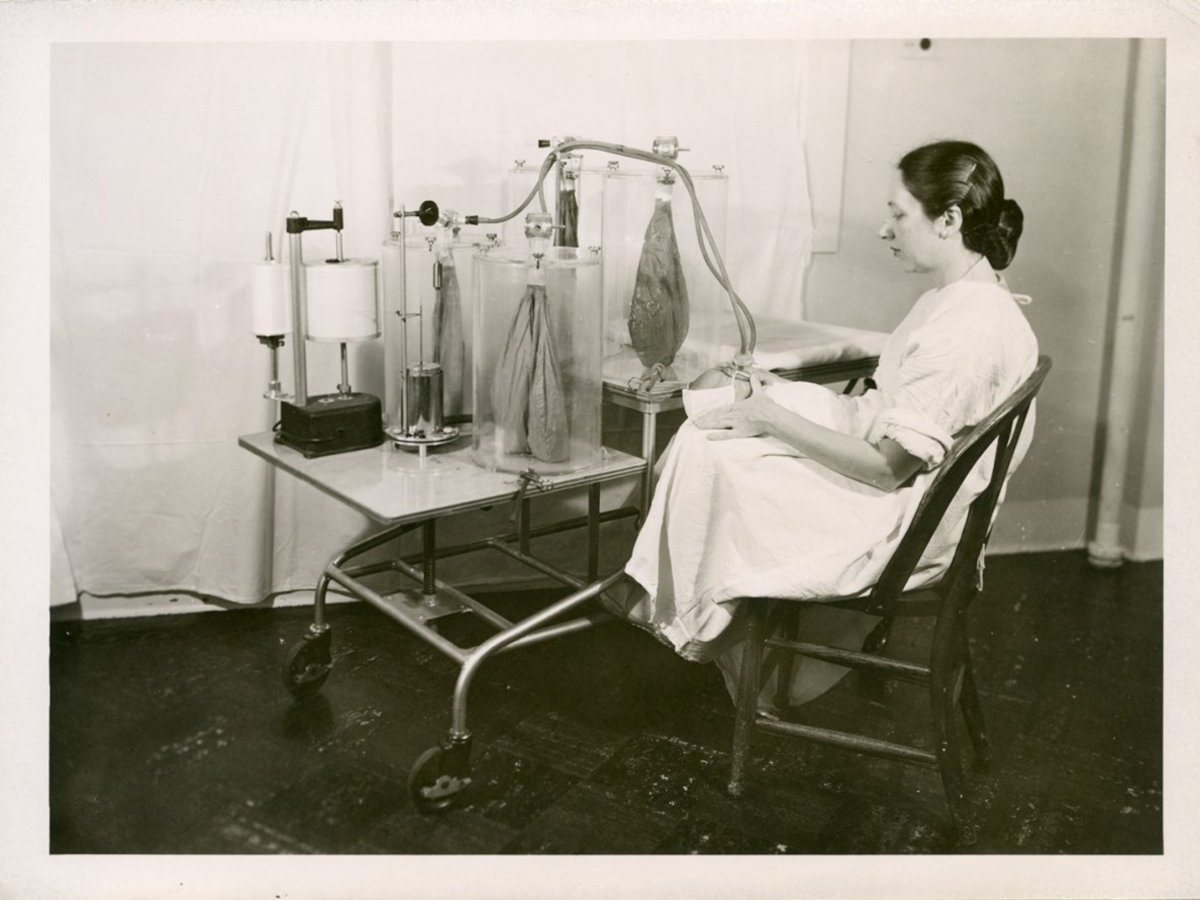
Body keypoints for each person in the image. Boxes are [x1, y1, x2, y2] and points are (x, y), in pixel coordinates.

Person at [603, 140, 1040, 711]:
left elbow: (887, 470)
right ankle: (672, 594)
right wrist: (776, 394)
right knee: (720, 422)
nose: (884, 230)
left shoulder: (971, 328)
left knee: (715, 449)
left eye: (898, 214)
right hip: (899, 484)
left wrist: (773, 417)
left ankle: (680, 606)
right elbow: (884, 414)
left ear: (949, 220)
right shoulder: (959, 299)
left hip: (902, 525)